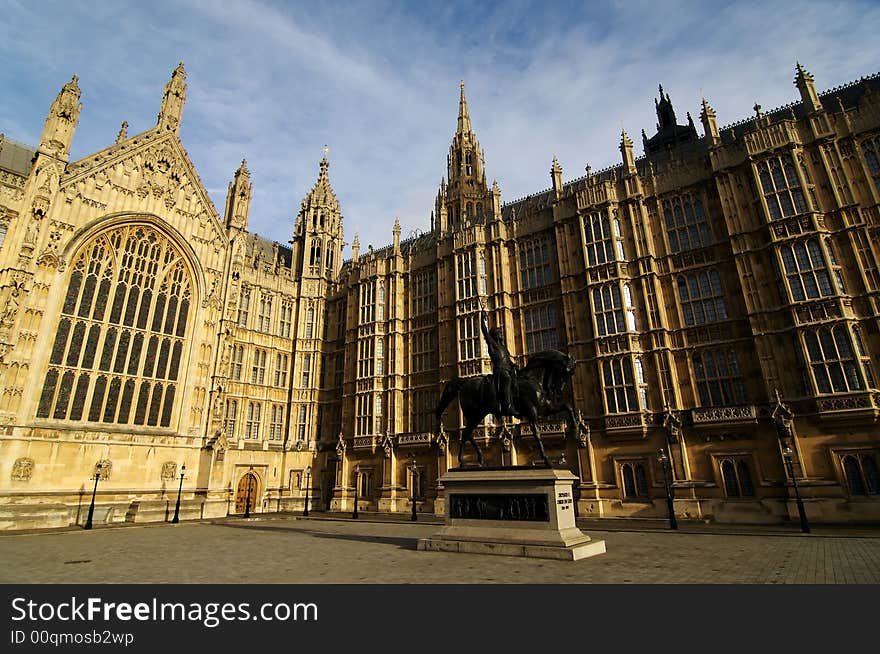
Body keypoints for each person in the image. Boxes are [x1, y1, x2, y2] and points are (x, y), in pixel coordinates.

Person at [479, 302, 520, 417]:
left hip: (507, 369)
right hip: (500, 371)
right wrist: (483, 318)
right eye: (498, 333)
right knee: (507, 379)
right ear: (495, 336)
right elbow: (484, 331)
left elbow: (507, 360)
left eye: (500, 333)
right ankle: (507, 406)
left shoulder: (503, 348)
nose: (501, 335)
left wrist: (513, 365)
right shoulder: (492, 344)